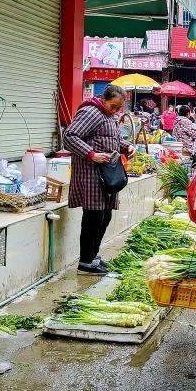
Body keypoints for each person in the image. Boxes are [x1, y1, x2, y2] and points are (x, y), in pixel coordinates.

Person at [63, 85, 134, 274]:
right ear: (104, 100)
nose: (116, 111)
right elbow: (69, 137)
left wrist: (126, 147)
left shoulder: (108, 115)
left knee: (105, 215)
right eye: (113, 106)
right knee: (93, 217)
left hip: (107, 174)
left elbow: (111, 138)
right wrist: (91, 154)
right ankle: (85, 262)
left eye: (119, 108)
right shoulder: (91, 112)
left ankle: (93, 256)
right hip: (91, 173)